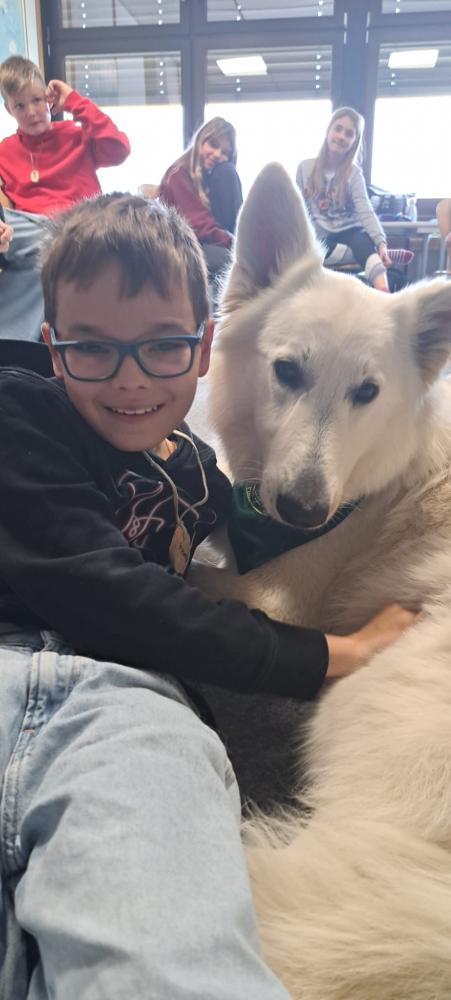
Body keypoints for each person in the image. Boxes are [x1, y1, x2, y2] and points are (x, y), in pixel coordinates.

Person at [0, 192, 417, 999]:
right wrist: (333, 653)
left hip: (128, 703)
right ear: (52, 349)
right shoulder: (20, 414)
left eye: (161, 346)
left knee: (159, 950)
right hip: (33, 660)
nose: (128, 378)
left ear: (202, 350)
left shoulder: (197, 471)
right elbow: (118, 598)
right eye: (92, 347)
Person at [0, 54, 130, 340]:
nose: (31, 112)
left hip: (79, 227)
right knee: (41, 246)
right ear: (8, 109)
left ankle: (8, 343)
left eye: (36, 100)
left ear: (48, 99)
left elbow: (119, 149)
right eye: (19, 105)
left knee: (49, 252)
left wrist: (74, 101)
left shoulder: (75, 136)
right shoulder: (4, 151)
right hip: (28, 232)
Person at [296, 106, 412, 292]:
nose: (342, 136)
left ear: (354, 141)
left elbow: (366, 211)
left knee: (362, 241)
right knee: (314, 251)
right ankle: (374, 256)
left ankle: (383, 290)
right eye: (338, 129)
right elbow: (299, 209)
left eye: (349, 134)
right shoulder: (305, 168)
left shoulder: (354, 174)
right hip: (322, 236)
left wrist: (381, 242)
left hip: (350, 232)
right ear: (328, 130)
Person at [160, 116, 243, 282]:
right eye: (213, 144)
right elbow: (199, 225)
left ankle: (243, 240)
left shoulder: (210, 178)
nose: (217, 154)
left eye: (225, 153)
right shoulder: (178, 174)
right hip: (181, 248)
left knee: (227, 171)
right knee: (233, 262)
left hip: (202, 244)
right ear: (200, 141)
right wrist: (235, 244)